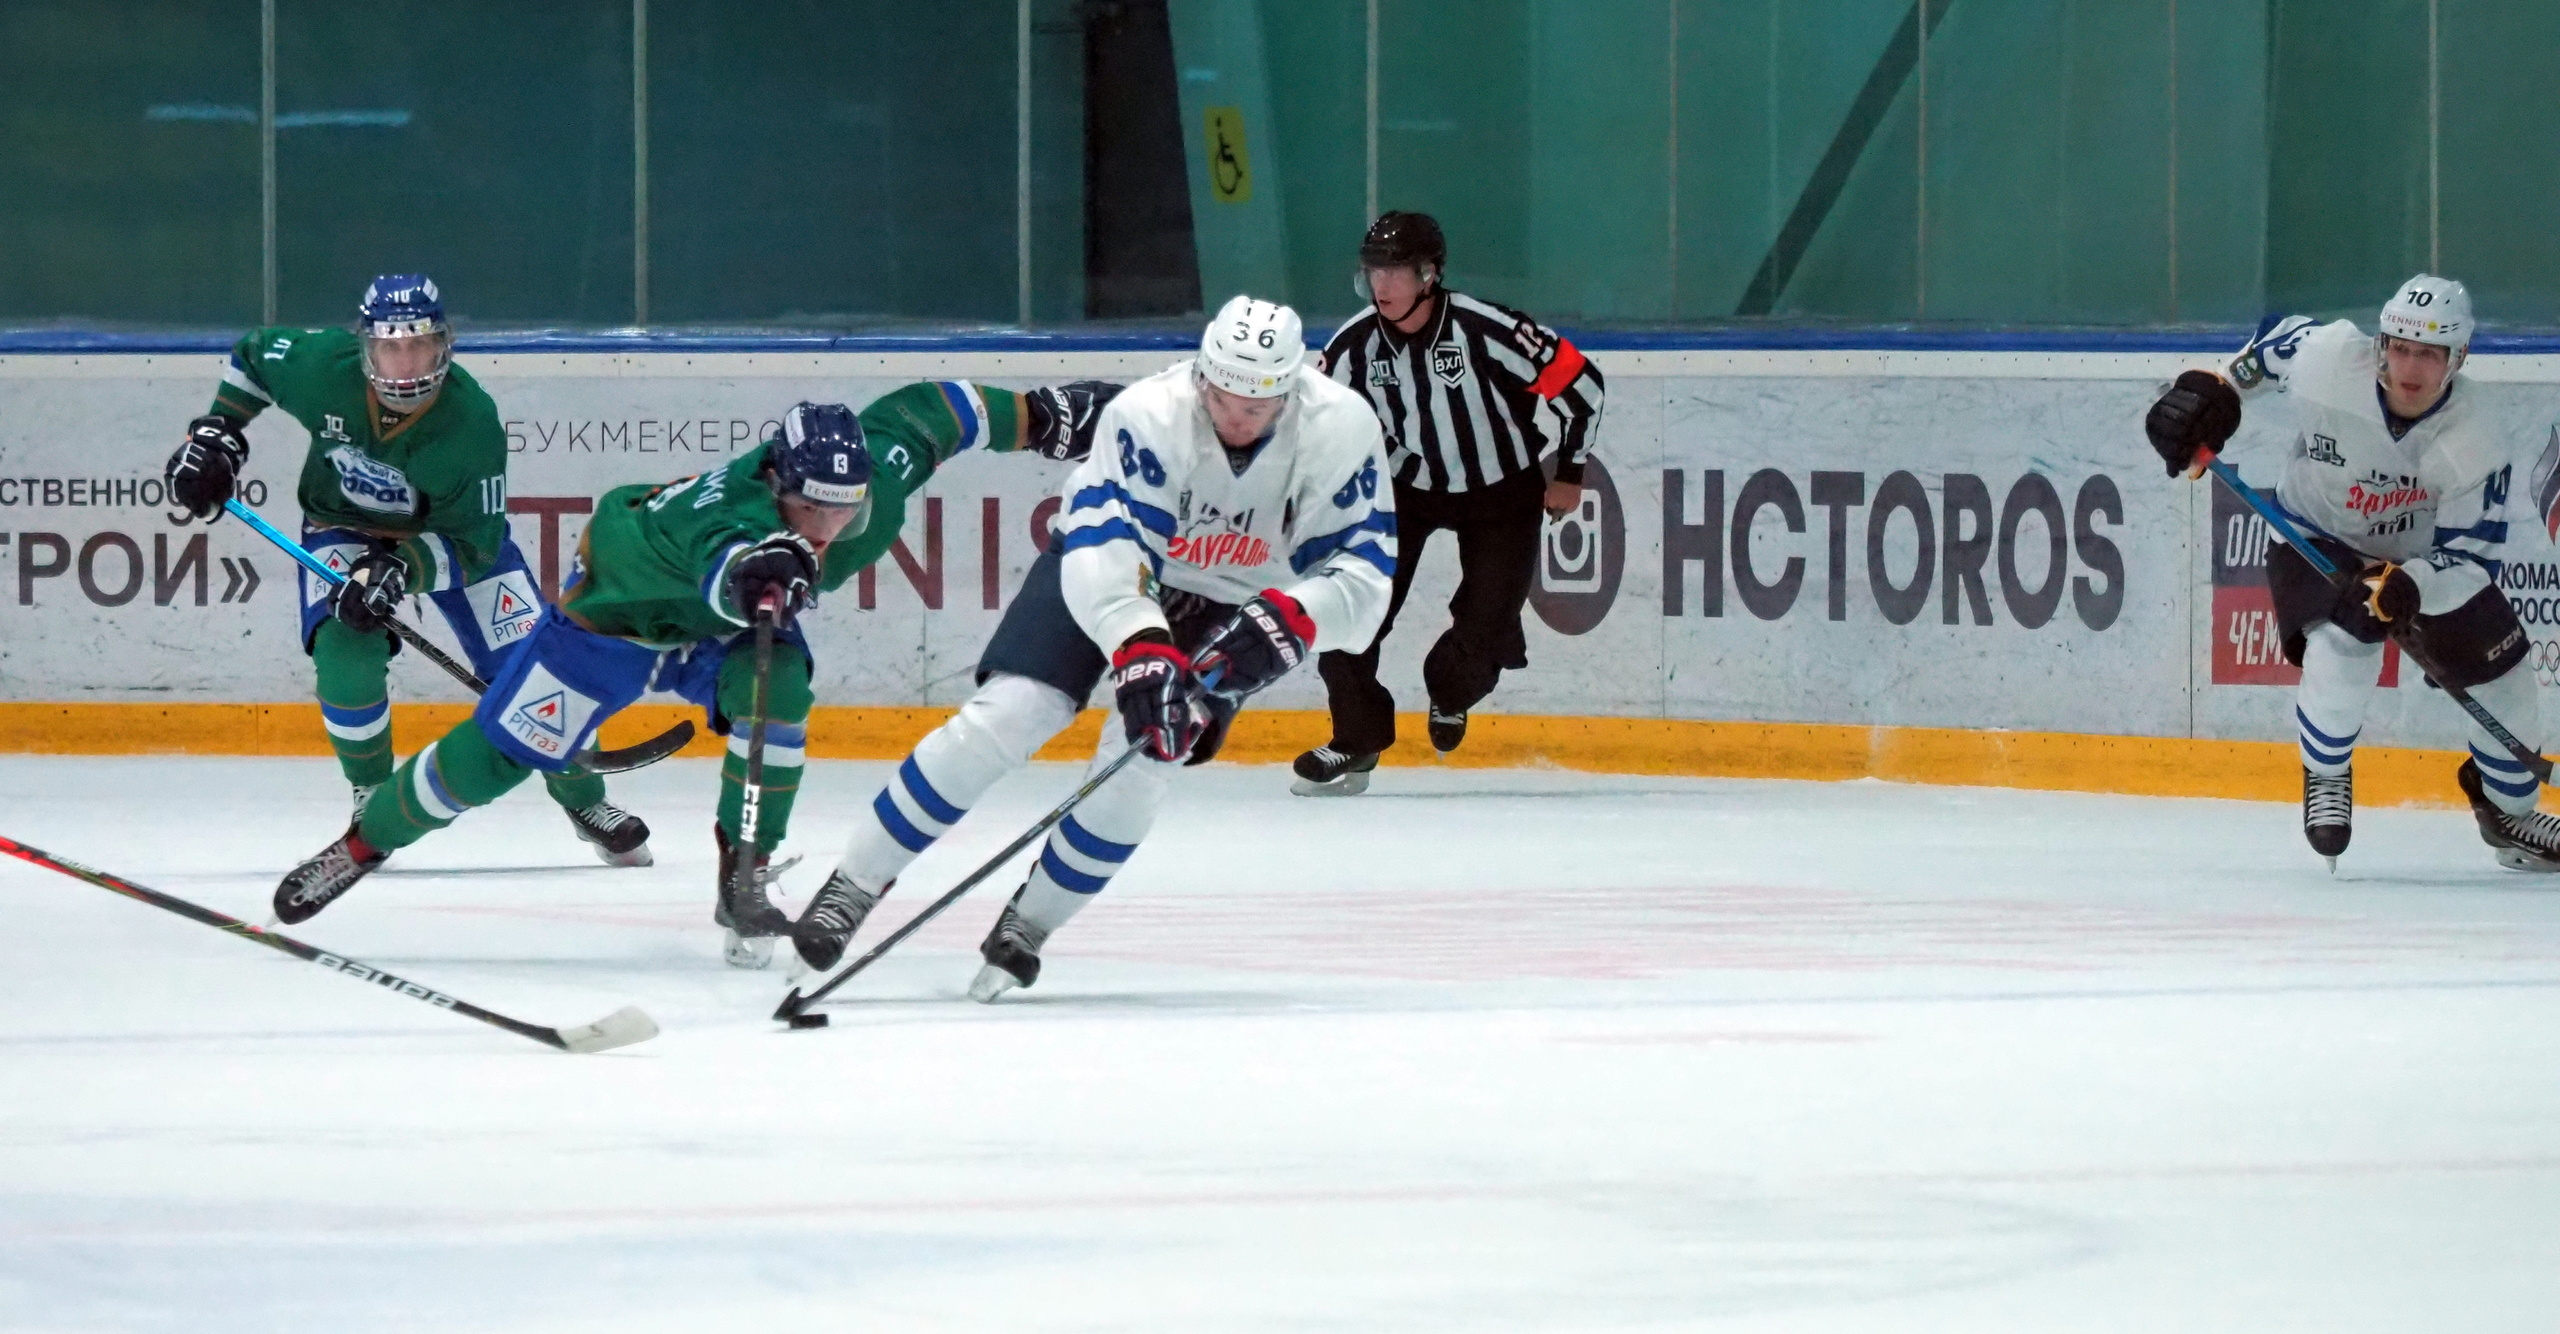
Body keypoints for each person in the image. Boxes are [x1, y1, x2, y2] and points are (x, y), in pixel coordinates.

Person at [267, 378, 1119, 966]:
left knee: (779, 692)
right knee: (495, 758)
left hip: (729, 624)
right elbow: (725, 565)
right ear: (777, 484)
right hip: (622, 608)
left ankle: (743, 869)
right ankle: (359, 843)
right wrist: (764, 567)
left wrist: (1048, 416)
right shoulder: (729, 519)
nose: (831, 524)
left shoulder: (866, 478)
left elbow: (934, 412)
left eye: (844, 508)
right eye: (811, 508)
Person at [788, 296, 1396, 998]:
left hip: (1233, 602)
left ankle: (1030, 924)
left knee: (1143, 758)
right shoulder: (1148, 411)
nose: (1234, 418)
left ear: (1293, 387)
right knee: (1013, 710)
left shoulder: (1340, 426)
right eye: (1221, 395)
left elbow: (1363, 577)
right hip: (1108, 570)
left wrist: (1294, 620)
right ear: (1201, 372)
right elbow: (1109, 544)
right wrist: (1138, 641)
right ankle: (853, 885)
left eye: (1255, 407)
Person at [163, 274, 651, 866]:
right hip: (343, 525)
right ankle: (372, 798)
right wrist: (218, 435)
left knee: (541, 670)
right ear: (366, 347)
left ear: (443, 345)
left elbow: (474, 544)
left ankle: (585, 798)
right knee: (345, 657)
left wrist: (398, 570)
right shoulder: (324, 368)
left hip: (453, 539)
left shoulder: (471, 423)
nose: (405, 363)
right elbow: (254, 356)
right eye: (390, 346)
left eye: (418, 345)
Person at [2147, 274, 2560, 871]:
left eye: (2430, 353)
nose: (2410, 367)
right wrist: (2213, 393)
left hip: (2423, 565)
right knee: (2344, 640)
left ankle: (2510, 816)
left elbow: (2469, 562)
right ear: (2380, 343)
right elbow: (2267, 349)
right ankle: (2326, 769)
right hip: (2317, 537)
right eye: (2399, 347)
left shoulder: (2475, 438)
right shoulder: (2328, 360)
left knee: (2510, 682)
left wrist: (2410, 585)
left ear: (2458, 358)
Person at [1292, 211, 1606, 796]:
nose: (1382, 286)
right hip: (1403, 492)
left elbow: (1582, 386)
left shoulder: (1488, 329)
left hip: (1502, 489)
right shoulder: (1355, 345)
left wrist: (1569, 471)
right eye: (1373, 274)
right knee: (1348, 610)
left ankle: (1450, 692)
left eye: (1395, 273)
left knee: (1485, 626)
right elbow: (1316, 425)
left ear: (1429, 274)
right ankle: (1355, 739)